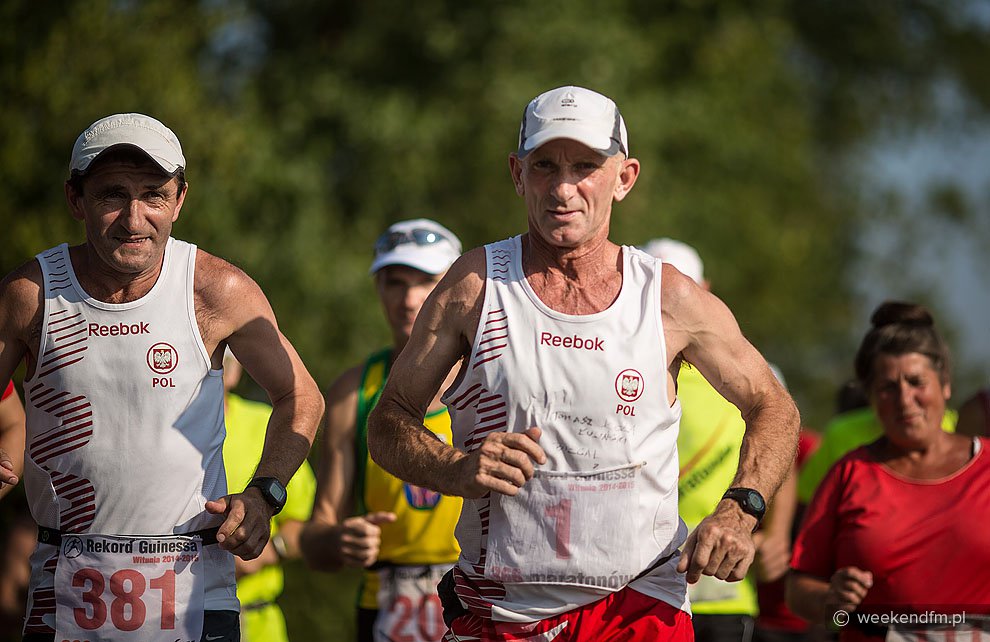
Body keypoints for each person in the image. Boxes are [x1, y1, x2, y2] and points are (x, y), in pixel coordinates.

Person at [366, 86, 801, 641]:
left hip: (639, 607)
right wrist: (455, 469)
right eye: (545, 165)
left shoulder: (666, 297)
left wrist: (740, 509)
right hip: (502, 612)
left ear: (625, 177)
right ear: (518, 175)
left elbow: (774, 405)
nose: (564, 188)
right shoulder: (476, 286)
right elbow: (388, 423)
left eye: (586, 166)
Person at [0, 113, 324, 642]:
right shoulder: (30, 294)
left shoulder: (215, 289)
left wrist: (265, 494)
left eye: (153, 194)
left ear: (179, 201)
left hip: (195, 590)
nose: (134, 219)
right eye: (111, 195)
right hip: (63, 593)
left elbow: (300, 395)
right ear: (75, 199)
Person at [786, 302, 990, 640]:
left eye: (916, 382)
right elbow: (797, 590)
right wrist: (832, 604)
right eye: (888, 387)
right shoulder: (850, 473)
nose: (905, 399)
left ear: (945, 385)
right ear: (871, 397)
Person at [301, 219, 463, 642]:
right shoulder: (353, 392)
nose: (409, 298)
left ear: (457, 287)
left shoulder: (497, 378)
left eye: (427, 280)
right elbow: (315, 538)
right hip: (387, 608)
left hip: (481, 599)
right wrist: (341, 540)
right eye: (394, 282)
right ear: (378, 288)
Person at [643, 238, 796, 642]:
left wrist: (771, 530)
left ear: (703, 293)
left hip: (721, 589)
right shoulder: (627, 367)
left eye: (681, 288)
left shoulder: (741, 372)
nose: (668, 305)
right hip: (640, 586)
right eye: (654, 288)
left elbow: (782, 440)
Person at [221, 348, 317, 642]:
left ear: (235, 371)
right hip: (165, 617)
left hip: (254, 619)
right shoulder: (153, 430)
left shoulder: (267, 425)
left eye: (218, 364)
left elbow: (303, 525)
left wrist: (267, 549)